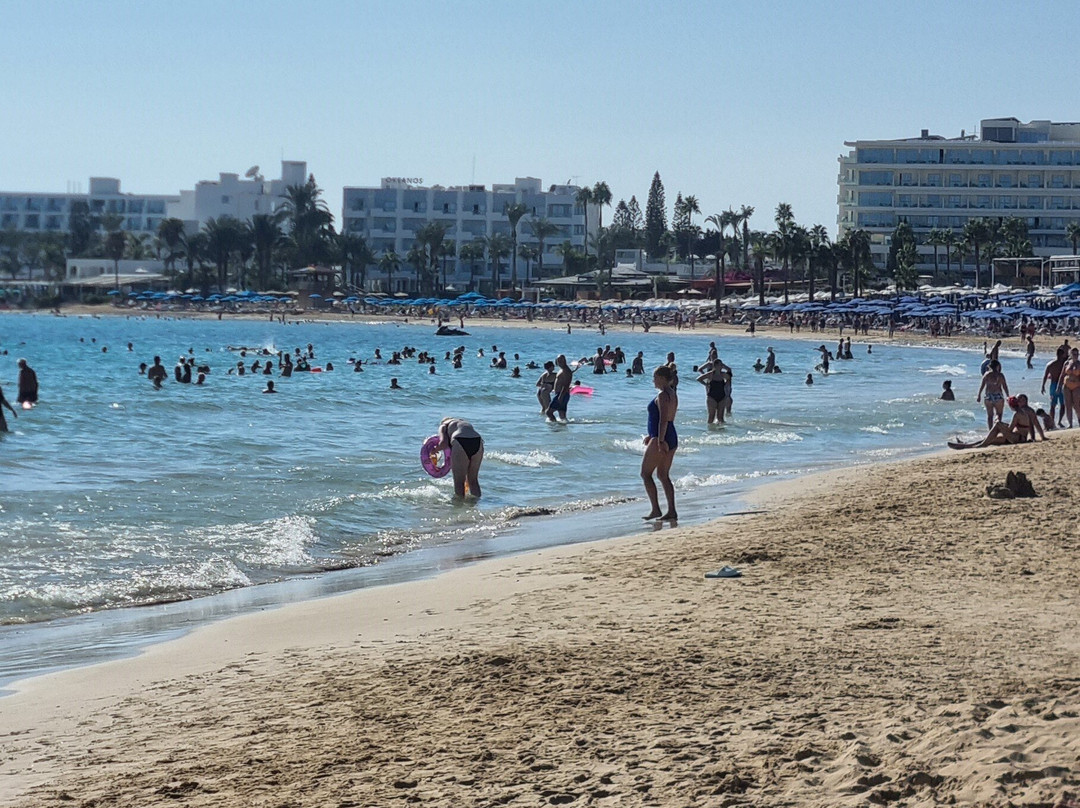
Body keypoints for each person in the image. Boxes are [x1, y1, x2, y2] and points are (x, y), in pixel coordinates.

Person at [641, 365, 678, 521]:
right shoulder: (673, 393)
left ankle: (656, 509)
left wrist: (659, 440)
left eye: (655, 377)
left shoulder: (663, 395)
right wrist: (652, 436)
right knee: (663, 475)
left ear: (662, 378)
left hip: (662, 437)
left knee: (645, 474)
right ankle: (671, 510)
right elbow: (668, 419)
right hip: (670, 434)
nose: (653, 381)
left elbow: (663, 419)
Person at [435, 417, 483, 498]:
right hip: (478, 441)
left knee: (459, 482)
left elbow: (443, 443)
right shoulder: (464, 423)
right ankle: (477, 503)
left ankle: (459, 507)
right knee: (473, 480)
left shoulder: (443, 425)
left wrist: (433, 451)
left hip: (460, 440)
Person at [976, 359, 1009, 430]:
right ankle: (997, 428)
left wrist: (979, 395)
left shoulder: (986, 374)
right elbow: (1004, 386)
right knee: (999, 414)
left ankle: (990, 430)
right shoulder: (1000, 375)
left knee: (990, 415)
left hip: (988, 396)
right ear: (998, 366)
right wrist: (1007, 396)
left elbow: (982, 386)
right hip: (998, 395)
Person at [696, 358, 731, 424]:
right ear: (715, 366)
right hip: (712, 397)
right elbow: (699, 379)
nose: (721, 367)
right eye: (720, 365)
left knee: (720, 418)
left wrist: (727, 389)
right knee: (711, 416)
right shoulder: (710, 374)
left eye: (722, 365)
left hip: (722, 396)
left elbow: (729, 378)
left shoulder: (723, 375)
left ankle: (722, 432)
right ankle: (710, 432)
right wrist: (706, 384)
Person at [1040, 346, 1067, 427]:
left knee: (1053, 405)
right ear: (1062, 355)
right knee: (1062, 405)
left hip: (1053, 385)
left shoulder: (1050, 364)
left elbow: (1045, 376)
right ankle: (1059, 421)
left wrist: (1043, 386)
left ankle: (1053, 422)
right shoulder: (1064, 364)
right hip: (1062, 385)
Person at [1058, 346, 1080, 428]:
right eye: (1074, 354)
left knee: (1077, 405)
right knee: (1068, 405)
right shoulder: (1067, 363)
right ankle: (1070, 423)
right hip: (1066, 386)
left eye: (1077, 354)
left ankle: (1079, 419)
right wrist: (1058, 387)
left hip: (1077, 386)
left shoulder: (1079, 364)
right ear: (1070, 354)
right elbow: (1062, 375)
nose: (1075, 355)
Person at [547, 354, 572, 422]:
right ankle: (562, 429)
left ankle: (554, 426)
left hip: (561, 394)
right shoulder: (562, 370)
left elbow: (566, 385)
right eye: (558, 360)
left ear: (565, 360)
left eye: (561, 360)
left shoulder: (566, 371)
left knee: (548, 412)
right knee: (562, 416)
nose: (560, 362)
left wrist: (561, 396)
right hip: (560, 394)